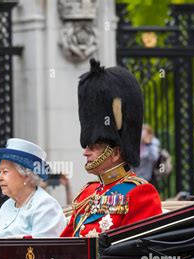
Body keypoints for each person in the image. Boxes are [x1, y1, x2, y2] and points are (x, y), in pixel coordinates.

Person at [61, 59, 162, 238]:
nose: (85, 152)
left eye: (93, 147)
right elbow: (65, 244)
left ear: (115, 152)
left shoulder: (139, 193)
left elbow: (134, 254)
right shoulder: (87, 192)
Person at [0, 138, 66, 238]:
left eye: (5, 172)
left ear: (27, 176)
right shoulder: (6, 206)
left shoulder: (46, 206)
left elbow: (43, 250)